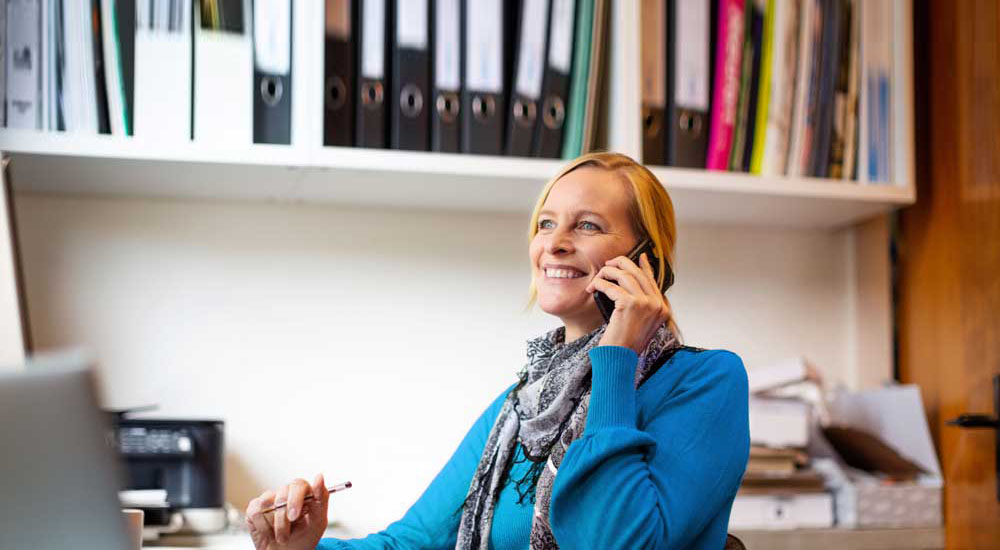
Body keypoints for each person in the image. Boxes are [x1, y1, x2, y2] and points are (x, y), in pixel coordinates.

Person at [246, 152, 750, 550]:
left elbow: (618, 542)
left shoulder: (708, 380)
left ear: (647, 261)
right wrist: (302, 549)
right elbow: (409, 544)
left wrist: (617, 359)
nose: (553, 244)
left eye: (588, 225)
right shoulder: (519, 409)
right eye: (546, 223)